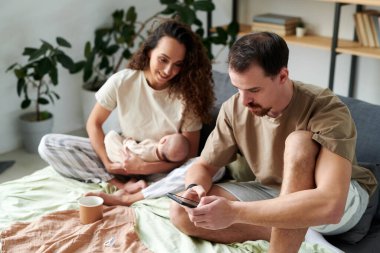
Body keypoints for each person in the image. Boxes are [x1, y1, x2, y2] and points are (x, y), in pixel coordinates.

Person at [169, 32, 377, 253]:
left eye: (254, 90)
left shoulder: (325, 109)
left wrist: (235, 212)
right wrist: (194, 188)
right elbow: (204, 166)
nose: (244, 100)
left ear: (283, 76)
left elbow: (331, 205)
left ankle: (288, 240)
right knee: (183, 212)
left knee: (299, 142)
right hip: (274, 192)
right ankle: (301, 232)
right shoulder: (235, 108)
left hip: (339, 202)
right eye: (237, 88)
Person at [38, 19, 215, 206]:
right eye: (163, 60)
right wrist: (108, 163)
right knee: (49, 144)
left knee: (207, 167)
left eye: (178, 64)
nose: (168, 70)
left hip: (161, 169)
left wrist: (145, 167)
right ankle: (120, 185)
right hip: (122, 158)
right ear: (149, 52)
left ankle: (132, 197)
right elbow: (94, 123)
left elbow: (189, 155)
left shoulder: (189, 96)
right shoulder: (122, 81)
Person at [102, 130, 190, 193]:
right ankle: (135, 182)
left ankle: (132, 182)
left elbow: (134, 149)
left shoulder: (150, 148)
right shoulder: (160, 162)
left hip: (123, 162)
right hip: (140, 173)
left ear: (163, 140)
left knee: (111, 136)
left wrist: (128, 141)